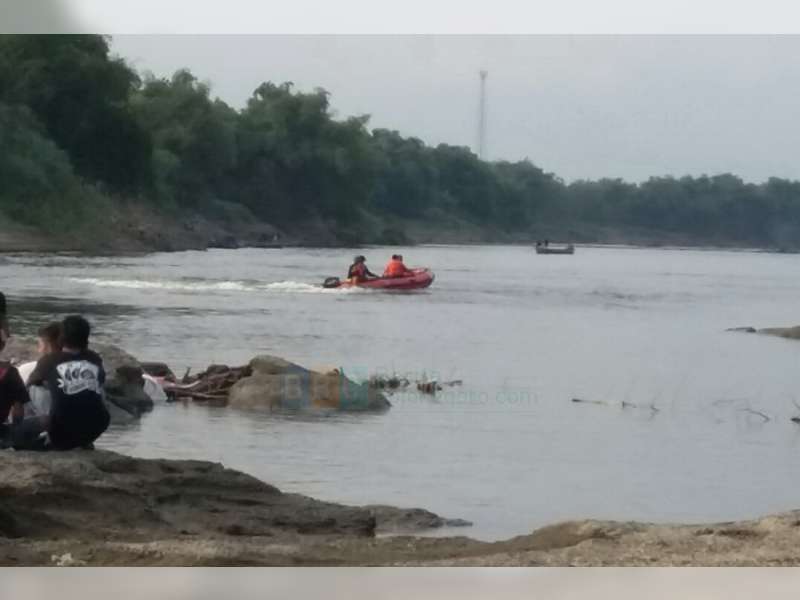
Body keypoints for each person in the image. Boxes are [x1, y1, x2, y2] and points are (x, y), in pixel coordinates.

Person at [26, 315, 110, 451]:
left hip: (60, 430)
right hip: (96, 427)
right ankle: (83, 441)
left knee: (33, 388)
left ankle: (38, 434)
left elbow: (28, 385)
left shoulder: (49, 360)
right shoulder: (94, 358)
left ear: (61, 338)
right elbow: (101, 380)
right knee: (97, 389)